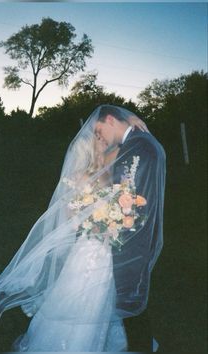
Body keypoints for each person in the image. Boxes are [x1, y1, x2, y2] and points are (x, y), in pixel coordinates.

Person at [0, 104, 164, 352]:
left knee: (103, 302)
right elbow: (73, 217)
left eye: (101, 137)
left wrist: (133, 119)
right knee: (78, 301)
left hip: (108, 249)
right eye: (96, 140)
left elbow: (125, 152)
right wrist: (97, 222)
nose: (101, 143)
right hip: (90, 246)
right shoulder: (81, 177)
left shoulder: (112, 161)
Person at [95, 105, 166, 352]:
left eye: (99, 129)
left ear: (111, 120)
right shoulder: (140, 143)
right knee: (131, 306)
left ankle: (140, 348)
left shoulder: (137, 147)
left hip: (131, 241)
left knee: (131, 305)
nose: (98, 136)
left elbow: (129, 198)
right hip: (135, 238)